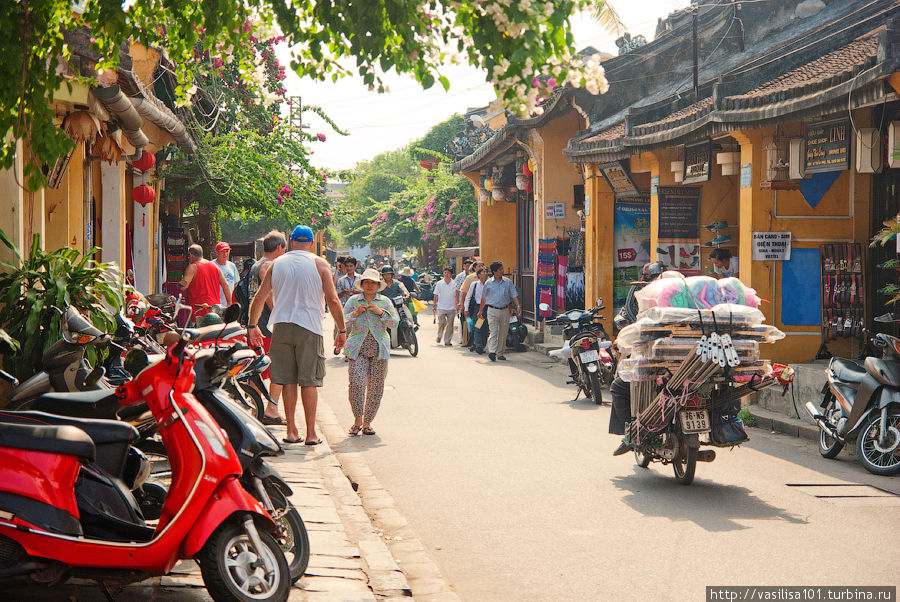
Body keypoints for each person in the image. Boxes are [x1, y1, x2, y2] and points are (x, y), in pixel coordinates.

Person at [248, 225, 346, 446]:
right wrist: (341, 330)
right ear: (311, 243)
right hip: (309, 328)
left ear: (291, 242)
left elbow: (261, 296)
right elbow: (333, 300)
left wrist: (252, 325)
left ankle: (292, 431)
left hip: (281, 326)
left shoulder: (276, 264)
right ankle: (311, 434)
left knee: (286, 379)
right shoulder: (320, 264)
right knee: (309, 382)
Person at [611, 261, 666, 455]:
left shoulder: (642, 295)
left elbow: (635, 326)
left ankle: (630, 432)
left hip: (651, 359)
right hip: (685, 359)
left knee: (618, 386)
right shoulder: (677, 292)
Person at [343, 268, 399, 437]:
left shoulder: (385, 301)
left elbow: (394, 322)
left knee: (376, 387)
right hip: (357, 347)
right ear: (362, 284)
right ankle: (357, 420)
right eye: (366, 282)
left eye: (372, 283)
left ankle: (367, 423)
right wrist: (356, 313)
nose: (369, 285)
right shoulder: (354, 301)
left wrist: (381, 312)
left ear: (377, 285)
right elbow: (343, 319)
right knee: (356, 383)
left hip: (379, 348)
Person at [248, 230, 288, 424]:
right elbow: (268, 296)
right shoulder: (267, 266)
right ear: (279, 247)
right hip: (266, 325)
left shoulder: (256, 264)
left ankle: (256, 408)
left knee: (257, 369)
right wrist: (280, 314)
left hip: (257, 325)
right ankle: (271, 410)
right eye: (285, 249)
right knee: (277, 368)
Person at [477, 261, 521, 361]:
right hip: (492, 310)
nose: (502, 271)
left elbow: (514, 294)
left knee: (503, 332)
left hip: (505, 310)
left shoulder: (508, 282)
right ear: (494, 272)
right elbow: (483, 298)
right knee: (494, 331)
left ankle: (500, 353)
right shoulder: (488, 283)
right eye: (500, 269)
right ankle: (492, 352)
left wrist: (518, 306)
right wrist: (480, 311)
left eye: (502, 269)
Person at [180, 244, 231, 322]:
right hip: (215, 310)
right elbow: (226, 285)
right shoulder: (215, 267)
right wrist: (229, 303)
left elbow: (184, 286)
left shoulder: (193, 267)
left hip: (199, 311)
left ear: (191, 255)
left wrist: (180, 283)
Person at [464, 266, 490, 354]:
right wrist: (466, 309)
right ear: (478, 275)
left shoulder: (490, 283)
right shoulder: (474, 284)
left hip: (488, 308)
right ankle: (478, 345)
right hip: (478, 308)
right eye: (483, 272)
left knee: (485, 328)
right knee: (478, 326)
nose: (485, 274)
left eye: (486, 272)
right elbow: (468, 297)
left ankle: (482, 345)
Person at [433, 266, 457, 346]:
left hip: (451, 307)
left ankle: (447, 340)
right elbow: (435, 295)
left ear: (451, 274)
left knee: (450, 325)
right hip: (441, 307)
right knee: (441, 323)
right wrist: (434, 305)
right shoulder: (439, 283)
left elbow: (456, 295)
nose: (446, 274)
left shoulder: (454, 283)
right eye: (445, 273)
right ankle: (439, 335)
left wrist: (457, 305)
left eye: (448, 273)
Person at [213, 242, 241, 308]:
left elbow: (235, 284)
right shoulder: (212, 265)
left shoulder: (232, 266)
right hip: (216, 305)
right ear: (217, 253)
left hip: (230, 305)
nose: (225, 254)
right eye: (222, 252)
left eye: (227, 251)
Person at [454, 259, 474, 344]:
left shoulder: (475, 277)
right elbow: (457, 291)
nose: (468, 267)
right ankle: (464, 339)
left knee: (472, 321)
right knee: (464, 321)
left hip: (472, 303)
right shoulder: (459, 277)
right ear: (464, 266)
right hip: (463, 303)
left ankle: (471, 340)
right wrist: (458, 303)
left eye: (470, 265)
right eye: (466, 265)